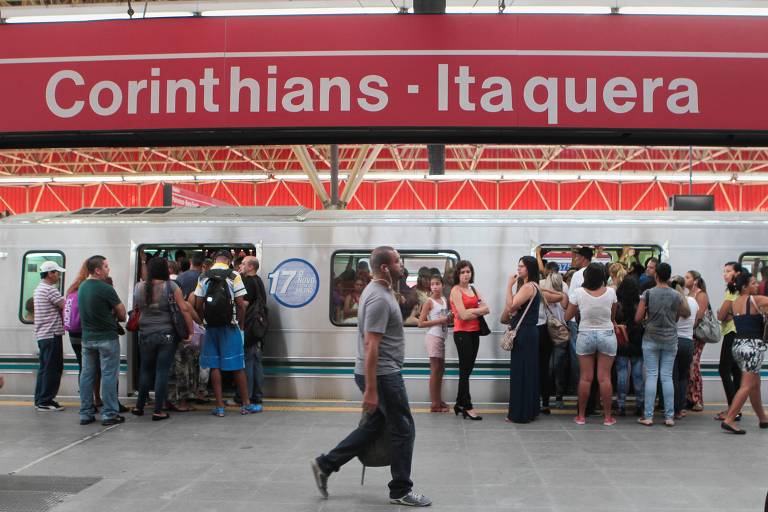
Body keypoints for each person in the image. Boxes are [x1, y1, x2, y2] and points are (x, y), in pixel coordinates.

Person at [311, 247, 431, 507]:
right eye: (398, 261)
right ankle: (401, 489)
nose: (402, 265)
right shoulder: (378, 297)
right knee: (403, 428)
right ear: (386, 267)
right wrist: (371, 390)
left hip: (381, 373)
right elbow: (371, 345)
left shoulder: (383, 291)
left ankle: (325, 464)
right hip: (383, 374)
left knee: (372, 427)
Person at [190, 249, 261, 416]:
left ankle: (220, 406)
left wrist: (202, 321)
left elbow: (198, 303)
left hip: (210, 327)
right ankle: (246, 404)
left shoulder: (203, 276)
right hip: (230, 326)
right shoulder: (234, 275)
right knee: (238, 366)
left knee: (215, 366)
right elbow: (241, 304)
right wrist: (241, 325)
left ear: (215, 260)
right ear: (229, 261)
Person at [131, 258, 194, 421]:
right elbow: (184, 309)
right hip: (166, 334)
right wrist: (190, 332)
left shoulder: (139, 287)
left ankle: (139, 406)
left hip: (145, 333)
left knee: (145, 370)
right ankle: (158, 410)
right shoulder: (171, 286)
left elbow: (137, 308)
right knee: (162, 371)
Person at [635, 262, 691, 427]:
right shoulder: (676, 295)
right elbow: (681, 314)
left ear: (656, 275)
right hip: (670, 340)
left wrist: (647, 318)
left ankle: (649, 416)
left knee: (652, 376)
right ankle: (669, 417)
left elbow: (638, 318)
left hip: (651, 339)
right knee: (666, 377)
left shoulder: (648, 293)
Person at [565, 262, 618, 426]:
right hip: (606, 335)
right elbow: (612, 316)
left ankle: (581, 416)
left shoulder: (578, 292)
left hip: (585, 334)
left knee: (586, 378)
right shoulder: (611, 292)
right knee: (604, 378)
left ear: (586, 276)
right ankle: (608, 417)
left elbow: (568, 316)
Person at [78, 255, 127, 426]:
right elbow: (122, 314)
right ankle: (109, 413)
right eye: (106, 266)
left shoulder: (82, 287)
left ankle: (85, 412)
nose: (108, 269)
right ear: (97, 270)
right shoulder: (106, 289)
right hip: (107, 338)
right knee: (108, 376)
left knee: (87, 375)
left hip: (87, 339)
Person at [720, 272, 768, 434]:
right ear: (745, 286)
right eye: (754, 283)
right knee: (747, 386)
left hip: (738, 345)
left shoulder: (736, 302)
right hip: (752, 347)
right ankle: (730, 419)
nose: (757, 285)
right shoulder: (756, 300)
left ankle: (763, 419)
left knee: (755, 384)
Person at [502, 256, 541, 424]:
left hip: (523, 333)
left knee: (520, 373)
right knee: (529, 372)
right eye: (518, 266)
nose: (518, 269)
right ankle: (530, 409)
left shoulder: (527, 287)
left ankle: (519, 413)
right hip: (530, 332)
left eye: (522, 267)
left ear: (529, 269)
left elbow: (511, 306)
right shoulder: (536, 286)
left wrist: (509, 286)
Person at [450, 260, 489, 420]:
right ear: (458, 275)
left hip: (474, 333)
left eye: (468, 271)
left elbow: (487, 309)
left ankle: (459, 403)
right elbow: (462, 316)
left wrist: (470, 310)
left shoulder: (473, 289)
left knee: (467, 369)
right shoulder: (455, 290)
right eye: (463, 272)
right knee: (465, 370)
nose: (466, 274)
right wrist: (476, 310)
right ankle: (467, 406)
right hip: (461, 333)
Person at [64, 259, 102, 411]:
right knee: (96, 368)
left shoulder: (72, 288)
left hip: (73, 334)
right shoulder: (90, 287)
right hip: (87, 333)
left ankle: (86, 401)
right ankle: (96, 398)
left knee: (84, 368)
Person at [33, 260, 67, 412]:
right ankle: (46, 400)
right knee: (53, 368)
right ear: (50, 273)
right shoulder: (50, 290)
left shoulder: (38, 289)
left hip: (43, 335)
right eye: (56, 272)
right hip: (52, 334)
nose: (58, 276)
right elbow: (65, 306)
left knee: (44, 368)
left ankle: (40, 399)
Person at [236, 255, 268, 410]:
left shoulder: (247, 282)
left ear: (250, 267)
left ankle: (245, 396)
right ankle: (257, 396)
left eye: (242, 264)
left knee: (247, 361)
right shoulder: (259, 281)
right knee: (256, 361)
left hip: (249, 326)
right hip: (259, 327)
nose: (240, 266)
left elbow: (244, 305)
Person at [418, 273, 451, 413]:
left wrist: (449, 318)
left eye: (437, 283)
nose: (435, 287)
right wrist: (441, 321)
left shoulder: (443, 299)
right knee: (435, 370)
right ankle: (434, 404)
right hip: (433, 336)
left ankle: (438, 399)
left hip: (441, 337)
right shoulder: (429, 302)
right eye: (432, 284)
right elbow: (421, 323)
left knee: (440, 370)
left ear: (442, 285)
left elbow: (444, 317)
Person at [715, 261, 743, 421]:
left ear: (737, 273)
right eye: (724, 271)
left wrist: (724, 313)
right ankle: (735, 409)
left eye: (728, 271)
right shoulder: (739, 290)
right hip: (738, 332)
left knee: (723, 369)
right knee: (735, 371)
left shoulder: (732, 291)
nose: (725, 274)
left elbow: (720, 315)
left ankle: (733, 410)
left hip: (731, 332)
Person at [615, 277, 644, 417]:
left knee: (622, 374)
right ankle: (639, 404)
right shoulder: (640, 303)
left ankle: (621, 405)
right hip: (637, 342)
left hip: (622, 342)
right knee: (637, 375)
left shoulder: (618, 304)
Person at [671, 276, 698, 420]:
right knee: (682, 378)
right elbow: (695, 321)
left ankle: (670, 408)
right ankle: (680, 409)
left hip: (673, 341)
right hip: (688, 342)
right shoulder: (693, 301)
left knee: (672, 378)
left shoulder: (672, 300)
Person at [541, 269, 569, 409]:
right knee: (556, 366)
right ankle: (555, 396)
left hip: (556, 332)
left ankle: (556, 395)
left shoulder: (561, 293)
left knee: (554, 366)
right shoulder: (548, 291)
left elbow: (565, 307)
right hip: (555, 332)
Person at [685, 270, 709, 412]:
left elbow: (698, 317)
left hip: (696, 335)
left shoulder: (701, 295)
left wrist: (688, 327)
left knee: (694, 365)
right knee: (689, 367)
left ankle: (697, 398)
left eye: (688, 277)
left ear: (695, 281)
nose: (685, 279)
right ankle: (690, 397)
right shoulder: (689, 295)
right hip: (690, 335)